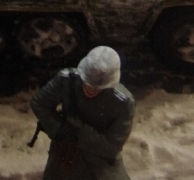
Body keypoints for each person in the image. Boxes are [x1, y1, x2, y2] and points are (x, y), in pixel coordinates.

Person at [30, 46, 135, 180]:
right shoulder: (66, 80)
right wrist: (60, 129)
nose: (90, 89)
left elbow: (112, 147)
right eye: (87, 82)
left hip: (100, 162)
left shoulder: (123, 102)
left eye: (96, 87)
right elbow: (39, 103)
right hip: (66, 154)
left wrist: (78, 132)